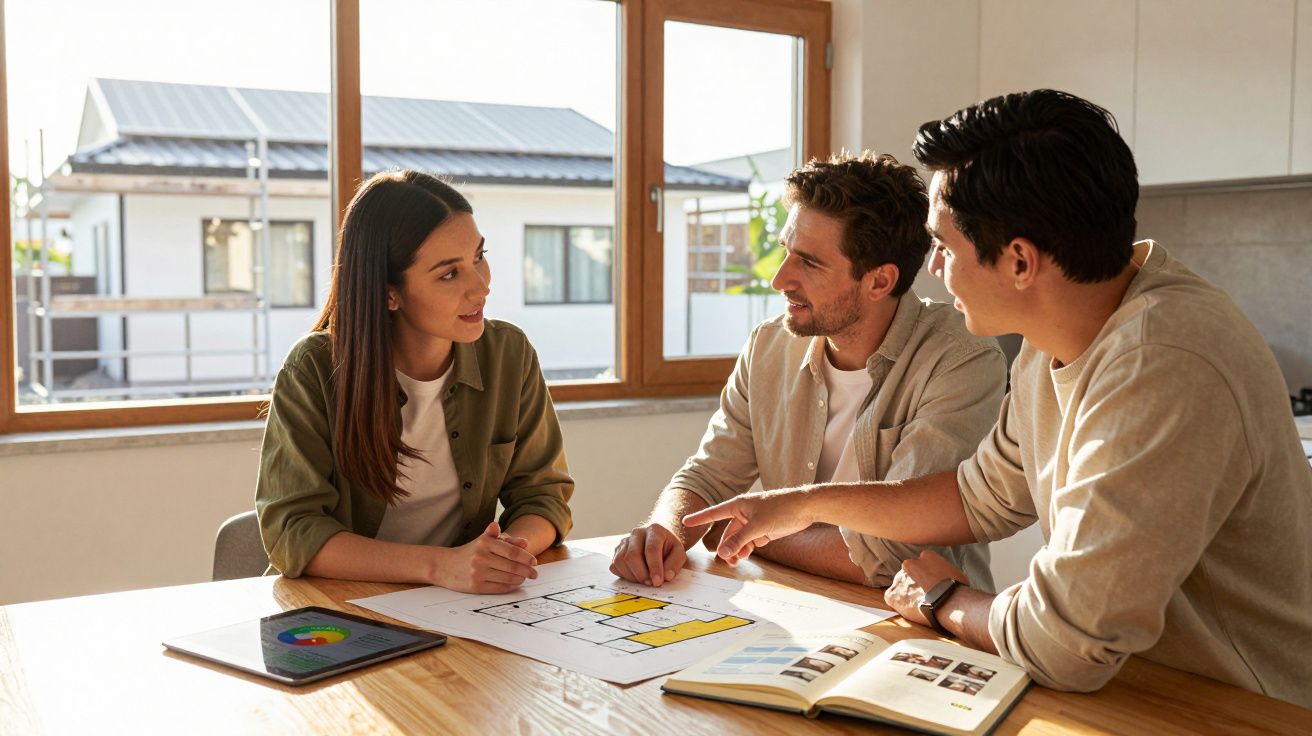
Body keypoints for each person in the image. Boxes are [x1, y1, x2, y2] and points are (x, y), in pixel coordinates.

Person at [684, 90, 1312, 707]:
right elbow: (977, 495)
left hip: (1248, 707)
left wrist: (945, 601)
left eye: (944, 246)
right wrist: (799, 503)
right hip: (1143, 689)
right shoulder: (1054, 336)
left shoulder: (1161, 362)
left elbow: (1067, 640)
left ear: (1019, 262)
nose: (931, 268)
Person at [610, 152, 1006, 591]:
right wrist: (665, 529)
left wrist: (747, 535)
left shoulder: (960, 358)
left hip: (922, 624)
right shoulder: (769, 346)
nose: (780, 279)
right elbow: (708, 477)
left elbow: (892, 554)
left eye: (809, 262)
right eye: (786, 252)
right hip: (795, 605)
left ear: (879, 281)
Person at [257, 169, 573, 594]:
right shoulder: (313, 369)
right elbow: (292, 531)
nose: (480, 287)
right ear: (390, 293)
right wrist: (442, 567)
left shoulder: (509, 354)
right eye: (449, 274)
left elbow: (543, 495)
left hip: (461, 605)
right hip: (342, 604)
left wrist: (504, 554)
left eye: (478, 257)